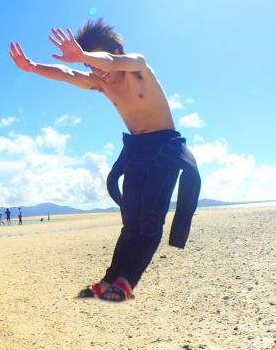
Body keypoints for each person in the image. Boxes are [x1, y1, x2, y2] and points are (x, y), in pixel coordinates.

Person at [10, 19, 200, 302]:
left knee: (150, 221)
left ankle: (125, 282)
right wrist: (33, 67)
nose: (97, 71)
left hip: (164, 149)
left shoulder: (139, 68)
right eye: (91, 68)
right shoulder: (101, 82)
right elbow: (67, 73)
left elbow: (111, 61)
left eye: (96, 62)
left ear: (115, 51)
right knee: (131, 221)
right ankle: (110, 279)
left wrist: (84, 56)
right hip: (136, 149)